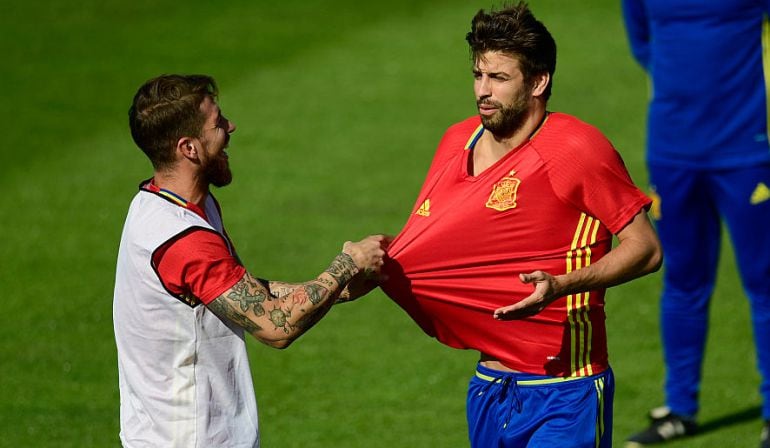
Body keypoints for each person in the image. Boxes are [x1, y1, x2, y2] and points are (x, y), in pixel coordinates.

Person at [376, 3, 662, 447]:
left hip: (566, 389)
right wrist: (365, 266)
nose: (482, 92)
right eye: (478, 76)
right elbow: (429, 242)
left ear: (538, 82)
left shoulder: (576, 147)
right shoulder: (458, 140)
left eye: (499, 78)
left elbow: (645, 248)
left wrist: (562, 285)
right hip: (490, 386)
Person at [113, 74, 387, 447]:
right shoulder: (183, 241)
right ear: (189, 148)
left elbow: (241, 291)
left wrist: (336, 291)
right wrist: (344, 264)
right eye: (218, 124)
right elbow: (276, 328)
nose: (230, 127)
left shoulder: (167, 203)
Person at [621, 1, 770, 446]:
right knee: (683, 281)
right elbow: (642, 43)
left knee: (764, 282)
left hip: (748, 149)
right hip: (672, 150)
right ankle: (680, 410)